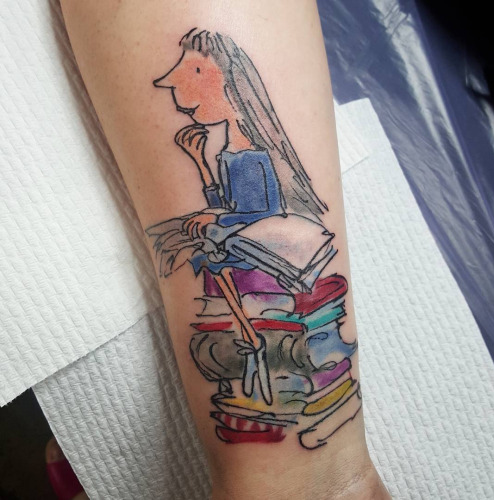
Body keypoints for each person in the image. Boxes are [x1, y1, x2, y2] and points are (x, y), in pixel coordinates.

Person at [59, 1, 391, 498]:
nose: (181, 98)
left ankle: (302, 474)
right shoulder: (231, 148)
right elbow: (230, 205)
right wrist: (200, 168)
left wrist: (297, 483)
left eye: (191, 82)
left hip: (264, 259)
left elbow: (253, 212)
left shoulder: (250, 154)